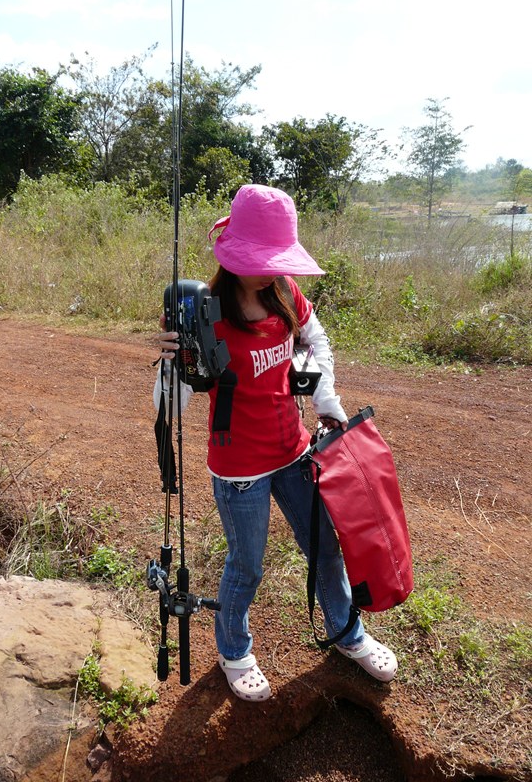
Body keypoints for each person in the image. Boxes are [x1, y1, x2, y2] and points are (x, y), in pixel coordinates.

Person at [154, 184, 397, 702]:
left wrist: (323, 394)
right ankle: (234, 650)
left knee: (326, 548)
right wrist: (171, 366)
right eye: (260, 259)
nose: (269, 269)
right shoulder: (205, 311)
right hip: (239, 469)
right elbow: (172, 409)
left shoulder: (285, 291)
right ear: (232, 253)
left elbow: (316, 338)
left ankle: (347, 633)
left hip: (294, 450)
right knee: (248, 563)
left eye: (276, 259)